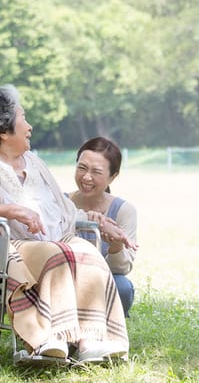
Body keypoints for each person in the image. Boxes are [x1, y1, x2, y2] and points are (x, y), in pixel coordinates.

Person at [0, 85, 128, 365]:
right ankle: (49, 337)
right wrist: (9, 210)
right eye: (23, 119)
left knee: (89, 254)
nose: (30, 127)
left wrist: (99, 221)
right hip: (8, 244)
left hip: (54, 239)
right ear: (4, 132)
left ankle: (90, 340)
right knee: (55, 254)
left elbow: (64, 210)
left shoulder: (34, 162)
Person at [67, 136, 139, 317]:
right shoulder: (62, 203)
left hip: (103, 278)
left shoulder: (124, 210)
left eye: (96, 172)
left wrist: (116, 246)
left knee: (122, 288)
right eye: (82, 168)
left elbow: (121, 270)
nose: (86, 177)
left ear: (112, 177)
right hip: (64, 277)